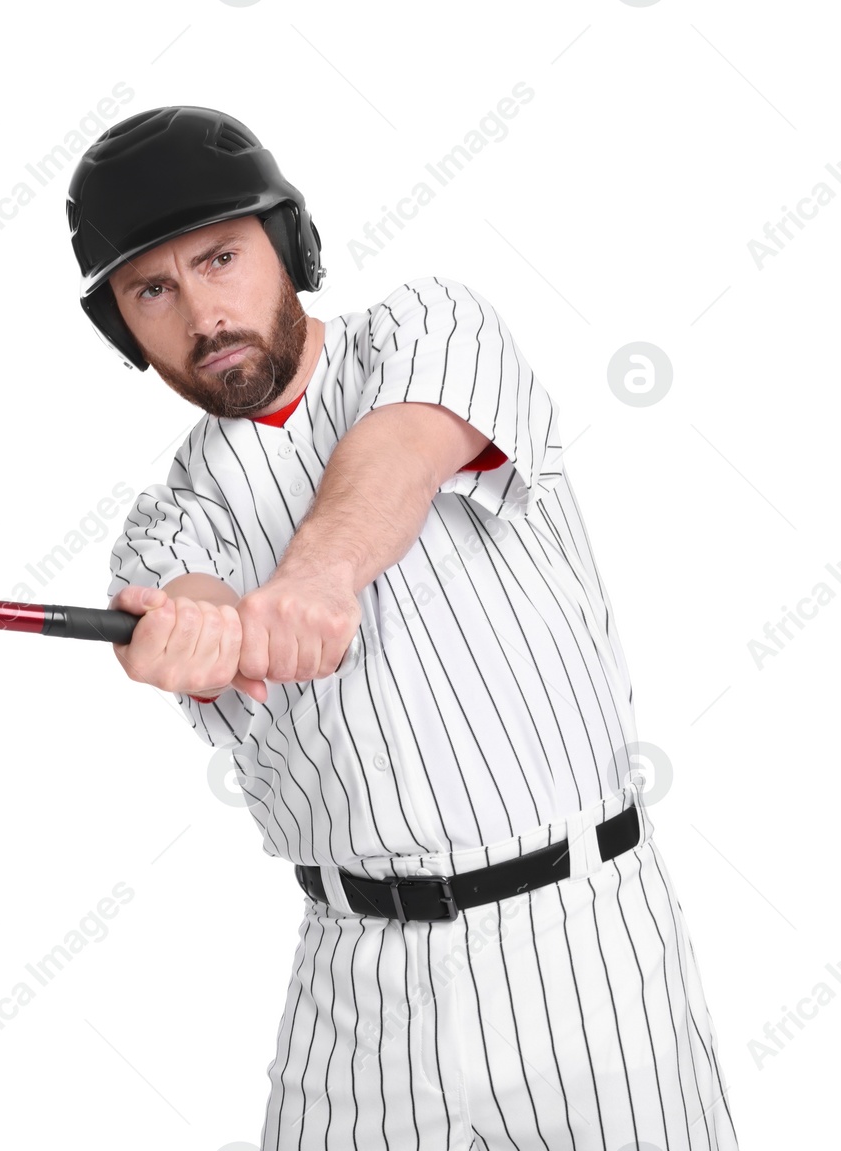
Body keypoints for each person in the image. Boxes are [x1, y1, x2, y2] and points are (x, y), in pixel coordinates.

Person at [68, 105, 739, 1151]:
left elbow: (407, 443)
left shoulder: (430, 328)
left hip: (587, 944)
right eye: (152, 288)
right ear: (122, 327)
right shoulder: (167, 517)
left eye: (221, 257)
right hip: (356, 977)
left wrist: (320, 575)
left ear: (287, 245)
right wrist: (179, 636)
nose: (202, 311)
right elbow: (178, 596)